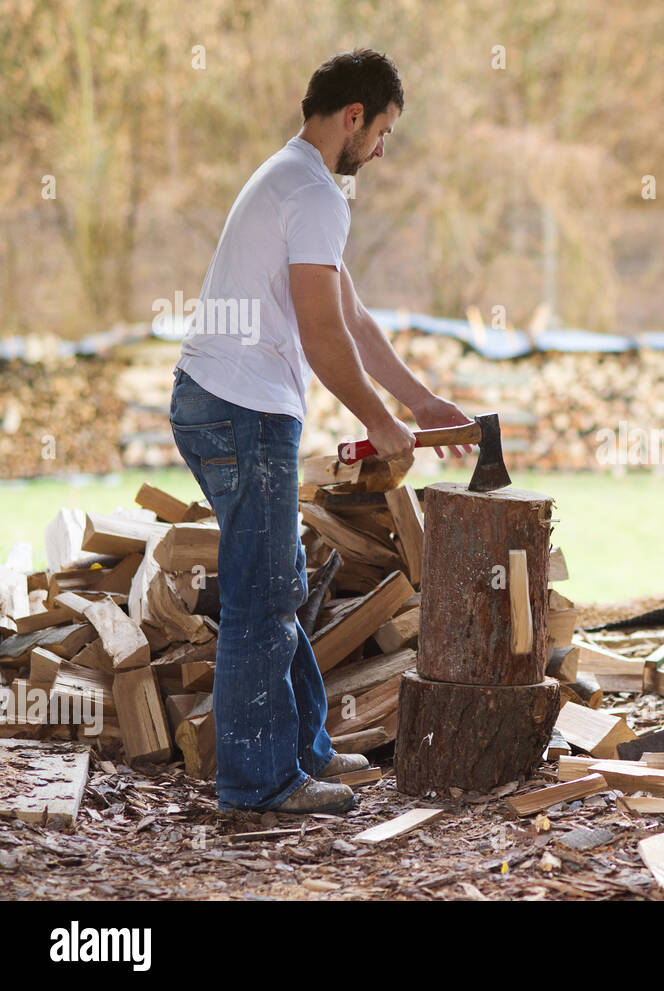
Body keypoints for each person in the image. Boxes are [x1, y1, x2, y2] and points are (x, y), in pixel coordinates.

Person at [169, 49, 471, 815]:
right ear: (353, 117)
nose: (380, 151)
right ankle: (258, 784)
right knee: (260, 598)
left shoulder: (293, 179)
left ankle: (300, 748)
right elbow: (321, 331)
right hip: (243, 411)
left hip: (218, 400)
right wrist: (376, 420)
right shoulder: (312, 190)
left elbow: (352, 317)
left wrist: (421, 402)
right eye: (382, 132)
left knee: (279, 585)